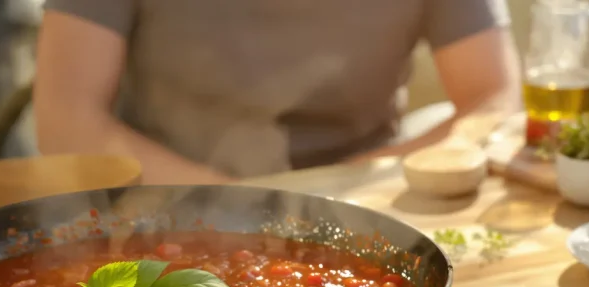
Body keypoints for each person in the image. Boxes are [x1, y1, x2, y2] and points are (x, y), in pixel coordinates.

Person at [34, 0, 521, 185]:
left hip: (360, 195)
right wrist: (237, 202)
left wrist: (342, 186)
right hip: (162, 197)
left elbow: (493, 97)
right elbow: (65, 119)